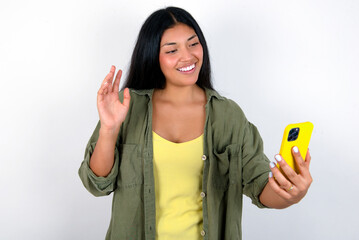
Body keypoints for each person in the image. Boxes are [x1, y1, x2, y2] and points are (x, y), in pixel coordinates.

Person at [78, 6, 313, 240]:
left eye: (193, 43)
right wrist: (109, 129)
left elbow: (260, 186)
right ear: (153, 56)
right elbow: (97, 184)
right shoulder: (127, 106)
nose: (188, 56)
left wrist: (290, 192)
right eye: (172, 50)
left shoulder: (228, 115)